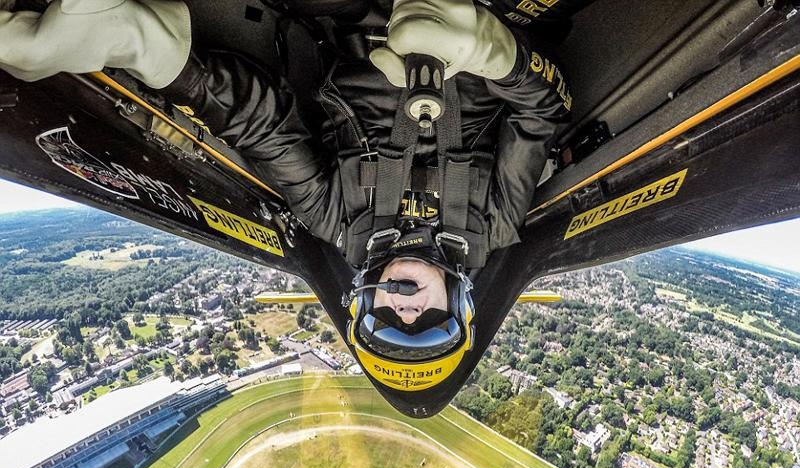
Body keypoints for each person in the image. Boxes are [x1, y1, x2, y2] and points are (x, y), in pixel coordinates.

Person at [0, 0, 577, 416]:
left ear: (364, 306)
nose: (406, 312)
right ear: (458, 303)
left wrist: (157, 57)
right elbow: (543, 115)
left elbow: (262, 124)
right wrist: (485, 48)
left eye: (388, 324)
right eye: (428, 323)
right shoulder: (494, 227)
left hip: (366, 19)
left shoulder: (336, 221)